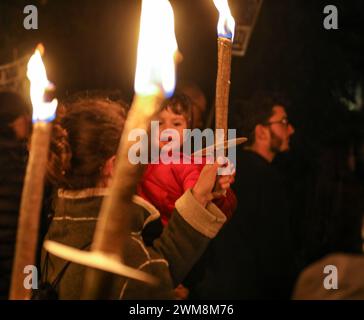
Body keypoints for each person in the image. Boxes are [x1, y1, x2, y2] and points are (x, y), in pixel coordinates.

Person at [41, 97, 232, 299]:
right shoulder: (126, 259)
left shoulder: (58, 228)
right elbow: (139, 276)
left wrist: (198, 197)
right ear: (114, 166)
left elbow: (150, 271)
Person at [191, 92, 298, 299]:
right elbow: (274, 248)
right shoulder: (265, 179)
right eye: (283, 122)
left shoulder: (231, 168)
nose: (290, 129)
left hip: (212, 288)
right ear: (261, 132)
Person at [137, 92, 236, 226]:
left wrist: (217, 190)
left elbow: (197, 200)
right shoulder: (140, 163)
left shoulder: (188, 164)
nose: (167, 130)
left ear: (188, 129)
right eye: (159, 123)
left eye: (176, 124)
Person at [0, 91, 30, 299]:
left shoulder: (19, 156)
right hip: (16, 263)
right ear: (11, 122)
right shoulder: (17, 163)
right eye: (23, 116)